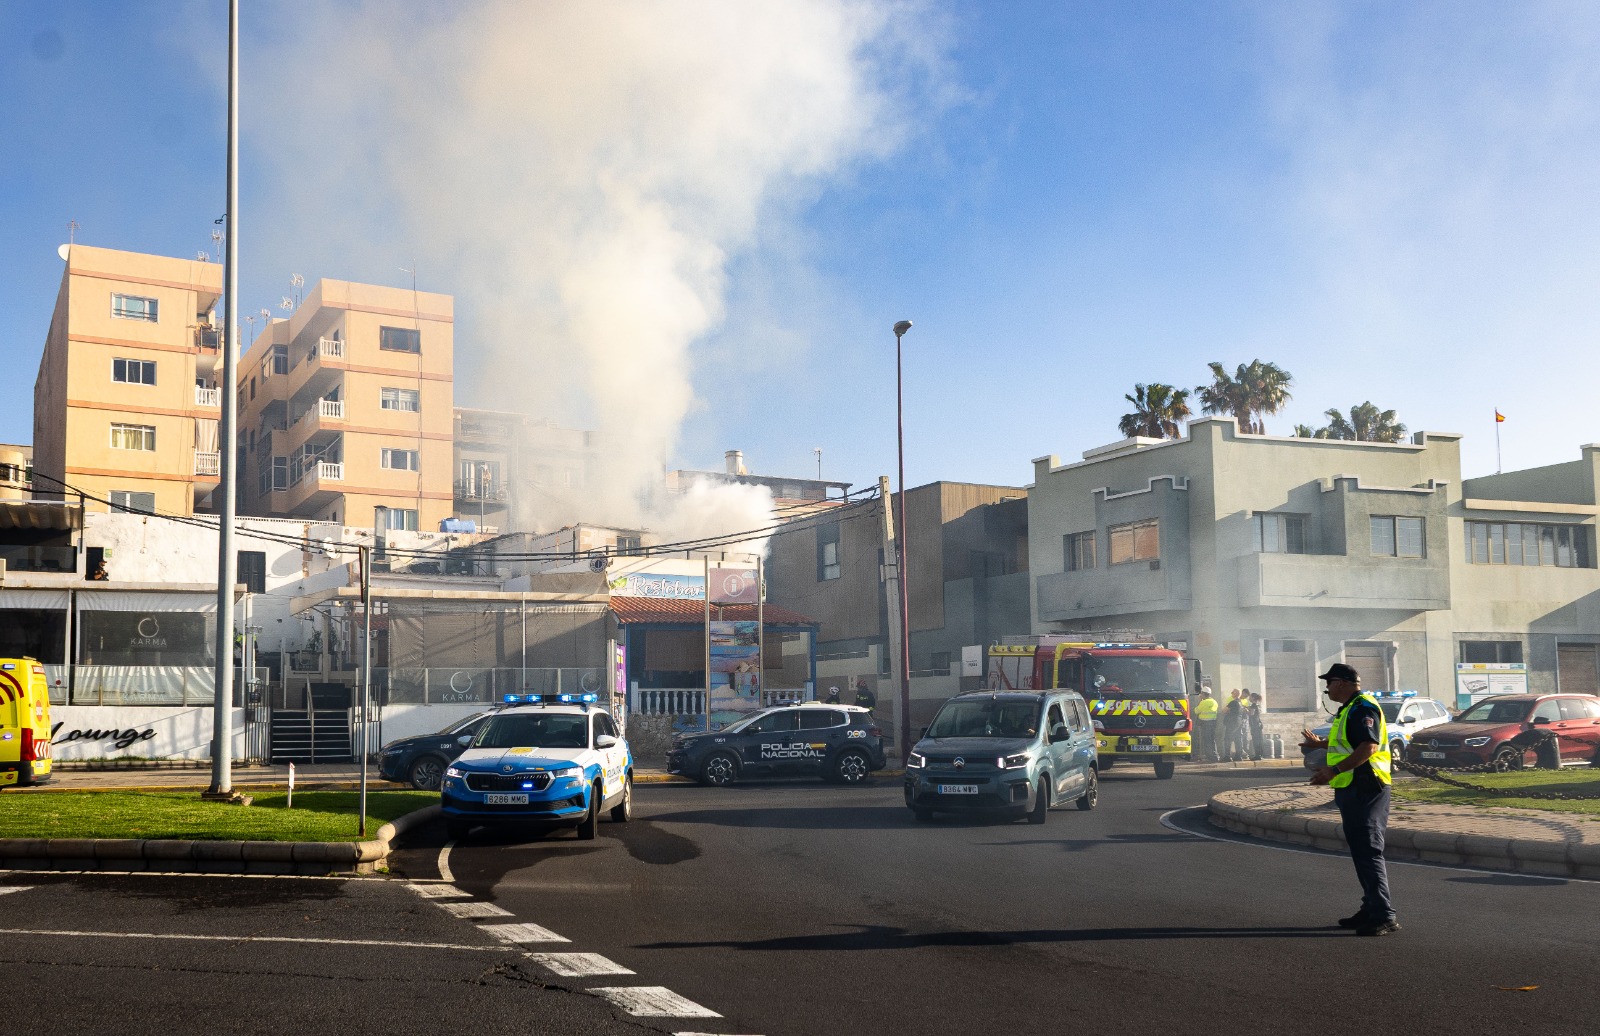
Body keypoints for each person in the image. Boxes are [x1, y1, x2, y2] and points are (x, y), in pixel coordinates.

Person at [1301, 663, 1398, 937]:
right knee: (1361, 851)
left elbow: (1368, 747)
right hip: (1353, 787)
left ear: (1341, 682)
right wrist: (1320, 744)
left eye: (1329, 683)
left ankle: (1384, 915)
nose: (1327, 688)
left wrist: (1333, 770)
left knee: (1368, 851)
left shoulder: (1362, 707)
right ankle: (1370, 908)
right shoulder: (1350, 708)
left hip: (1366, 786)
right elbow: (1349, 741)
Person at [1194, 686, 1219, 762]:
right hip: (1213, 723)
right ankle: (1215, 756)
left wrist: (1200, 701)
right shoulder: (1214, 702)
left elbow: (1196, 711)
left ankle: (1210, 757)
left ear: (1203, 694)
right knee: (1212, 740)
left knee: (1207, 741)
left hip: (1205, 723)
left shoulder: (1203, 702)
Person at [1220, 689, 1244, 761]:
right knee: (1237, 739)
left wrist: (1228, 711)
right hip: (1238, 722)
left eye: (1233, 692)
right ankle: (1238, 756)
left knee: (1228, 739)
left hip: (1231, 723)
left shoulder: (1233, 702)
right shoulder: (1240, 702)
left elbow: (1224, 710)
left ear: (1236, 694)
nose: (1231, 693)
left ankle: (1227, 756)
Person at [1246, 691, 1266, 760]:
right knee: (1259, 740)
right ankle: (1260, 755)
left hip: (1255, 726)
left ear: (1253, 698)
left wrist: (1245, 710)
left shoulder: (1254, 705)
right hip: (1258, 725)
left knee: (1256, 740)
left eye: (1250, 697)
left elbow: (1251, 713)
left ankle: (1257, 755)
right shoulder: (1257, 705)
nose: (1249, 698)